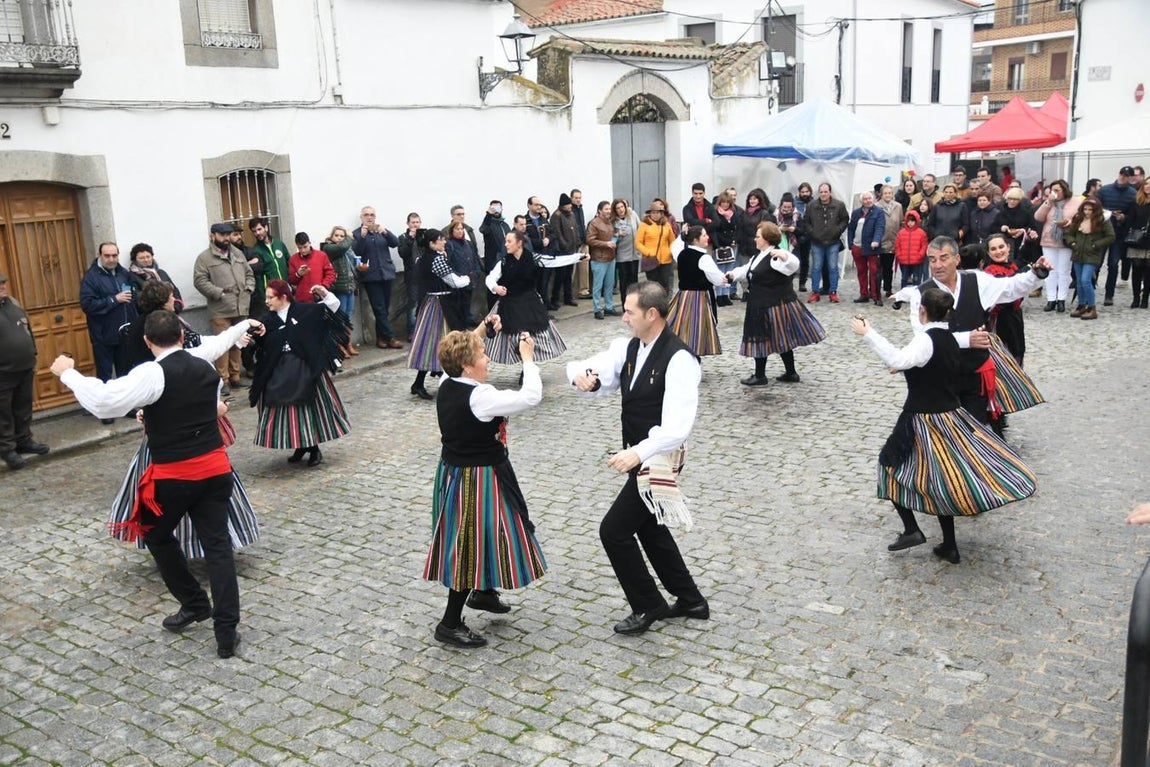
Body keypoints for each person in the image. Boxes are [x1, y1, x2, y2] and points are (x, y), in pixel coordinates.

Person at [51, 310, 258, 658]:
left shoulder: (152, 373)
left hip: (174, 477)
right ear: (181, 334)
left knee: (152, 531)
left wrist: (67, 373)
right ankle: (225, 633)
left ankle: (194, 603)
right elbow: (219, 344)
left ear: (148, 341)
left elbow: (104, 399)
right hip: (215, 470)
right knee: (218, 548)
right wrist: (245, 325)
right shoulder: (202, 364)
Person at [850, 289, 1036, 565]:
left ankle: (912, 529)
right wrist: (906, 366)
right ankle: (948, 544)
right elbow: (920, 363)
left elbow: (900, 359)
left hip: (922, 417)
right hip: (949, 415)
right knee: (940, 478)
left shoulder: (925, 339)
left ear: (922, 311)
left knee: (888, 465)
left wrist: (868, 333)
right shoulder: (949, 338)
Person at [566, 283, 708, 635]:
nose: (624, 317)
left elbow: (678, 427)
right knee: (649, 527)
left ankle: (648, 604)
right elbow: (590, 367)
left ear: (652, 315)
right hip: (639, 455)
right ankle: (691, 599)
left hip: (659, 458)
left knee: (613, 531)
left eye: (629, 311)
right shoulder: (629, 347)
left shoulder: (680, 360)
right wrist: (585, 378)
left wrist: (636, 453)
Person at [111, 281, 260, 559]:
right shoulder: (162, 331)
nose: (175, 300)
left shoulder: (139, 329)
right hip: (184, 420)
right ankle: (201, 545)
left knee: (166, 487)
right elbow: (202, 350)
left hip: (159, 415)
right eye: (171, 297)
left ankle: (176, 544)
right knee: (190, 484)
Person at [423, 324, 546, 649]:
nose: (488, 360)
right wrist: (528, 358)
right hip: (476, 479)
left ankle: (484, 592)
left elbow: (463, 348)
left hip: (455, 472)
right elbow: (531, 397)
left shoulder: (450, 381)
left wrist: (483, 332)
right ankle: (449, 624)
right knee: (469, 542)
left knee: (489, 533)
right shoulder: (482, 397)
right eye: (482, 356)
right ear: (467, 365)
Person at [890, 237, 1052, 433]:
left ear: (957, 259)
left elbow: (1012, 287)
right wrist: (966, 339)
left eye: (944, 258)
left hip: (975, 373)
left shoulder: (977, 280)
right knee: (948, 433)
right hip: (943, 378)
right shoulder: (921, 294)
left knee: (975, 430)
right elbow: (925, 336)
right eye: (932, 260)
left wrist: (1036, 273)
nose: (938, 265)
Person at [249, 280, 351, 467]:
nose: (267, 301)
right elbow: (257, 346)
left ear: (283, 297)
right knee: (286, 411)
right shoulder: (267, 320)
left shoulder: (306, 312)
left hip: (306, 370)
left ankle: (314, 449)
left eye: (270, 297)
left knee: (307, 409)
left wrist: (324, 294)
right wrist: (250, 339)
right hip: (279, 373)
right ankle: (300, 445)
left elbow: (333, 309)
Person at [727, 221, 825, 385]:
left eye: (758, 237)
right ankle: (789, 373)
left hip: (774, 304)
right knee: (780, 338)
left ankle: (762, 376)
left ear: (766, 239)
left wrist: (784, 255)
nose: (755, 239)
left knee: (767, 338)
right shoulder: (760, 255)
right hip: (762, 302)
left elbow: (793, 264)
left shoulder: (776, 255)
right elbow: (746, 269)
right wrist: (731, 275)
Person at [484, 231, 567, 366]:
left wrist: (579, 257)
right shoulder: (504, 261)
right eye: (506, 241)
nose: (506, 244)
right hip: (510, 303)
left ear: (519, 243)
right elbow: (490, 278)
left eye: (509, 241)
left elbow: (555, 261)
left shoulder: (532, 258)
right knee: (514, 336)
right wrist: (496, 288)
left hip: (529, 301)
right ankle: (524, 361)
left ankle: (527, 365)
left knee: (532, 334)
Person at [408, 229, 471, 400]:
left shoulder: (423, 258)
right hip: (440, 305)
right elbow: (454, 282)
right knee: (442, 342)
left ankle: (421, 382)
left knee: (433, 342)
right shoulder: (436, 260)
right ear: (431, 243)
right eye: (440, 240)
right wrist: (467, 278)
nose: (443, 242)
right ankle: (435, 383)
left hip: (432, 302)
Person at [192, 223, 254, 396]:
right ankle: (223, 380)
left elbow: (249, 273)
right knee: (222, 346)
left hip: (241, 305)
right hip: (220, 308)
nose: (226, 238)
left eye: (228, 235)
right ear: (213, 236)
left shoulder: (237, 253)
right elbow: (200, 281)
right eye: (222, 235)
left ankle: (235, 377)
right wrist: (218, 293)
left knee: (238, 343)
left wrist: (249, 288)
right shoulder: (204, 258)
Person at [0, 273, 48, 470]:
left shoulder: (13, 304)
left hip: (25, 367)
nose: (2, 286)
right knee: (3, 413)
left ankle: (24, 440)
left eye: (3, 283)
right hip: (3, 372)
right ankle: (7, 448)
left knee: (23, 407)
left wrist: (33, 353)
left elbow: (28, 330)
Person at [79, 242, 139, 395]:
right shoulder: (91, 277)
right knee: (105, 375)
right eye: (107, 256)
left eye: (114, 255)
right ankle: (107, 411)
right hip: (103, 334)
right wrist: (113, 300)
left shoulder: (124, 273)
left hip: (124, 332)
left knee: (125, 373)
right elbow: (87, 305)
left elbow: (133, 298)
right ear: (100, 256)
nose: (111, 259)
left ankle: (126, 405)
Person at [666, 225, 726, 357]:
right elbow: (716, 278)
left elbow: (674, 247)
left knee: (681, 326)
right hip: (699, 297)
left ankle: (682, 355)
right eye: (704, 235)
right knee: (696, 327)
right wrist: (725, 281)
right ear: (695, 239)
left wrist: (681, 236)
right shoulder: (704, 258)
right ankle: (693, 356)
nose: (707, 237)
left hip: (683, 296)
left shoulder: (681, 253)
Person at [353, 206, 403, 349]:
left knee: (384, 309)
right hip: (371, 276)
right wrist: (362, 237)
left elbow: (395, 243)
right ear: (361, 217)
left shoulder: (380, 231)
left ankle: (381, 338)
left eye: (372, 215)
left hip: (386, 273)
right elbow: (356, 252)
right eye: (366, 215)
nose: (369, 217)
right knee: (379, 308)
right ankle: (391, 337)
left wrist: (385, 232)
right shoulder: (357, 234)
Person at [1063, 196, 1116, 320]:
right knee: (1080, 282)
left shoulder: (1102, 220)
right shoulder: (1078, 219)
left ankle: (1092, 307)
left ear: (1095, 210)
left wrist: (1095, 245)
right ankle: (1082, 305)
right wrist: (1073, 243)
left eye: (1090, 210)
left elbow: (1111, 236)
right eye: (1085, 209)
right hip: (1077, 253)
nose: (1087, 212)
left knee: (1086, 280)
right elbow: (1070, 234)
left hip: (1092, 254)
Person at [1033, 180, 1079, 313]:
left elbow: (1080, 217)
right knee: (1050, 270)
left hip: (1065, 240)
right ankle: (1051, 299)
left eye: (1058, 190)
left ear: (1064, 190)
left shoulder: (1075, 202)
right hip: (1049, 240)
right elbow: (1038, 217)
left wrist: (1070, 222)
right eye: (1053, 190)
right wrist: (1048, 202)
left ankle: (1061, 299)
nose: (1055, 193)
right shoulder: (1049, 202)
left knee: (1063, 271)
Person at [1097, 166, 1138, 305]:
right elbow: (1095, 208)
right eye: (1122, 174)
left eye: (1126, 175)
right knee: (1096, 263)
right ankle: (1089, 291)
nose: (1123, 177)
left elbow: (1133, 215)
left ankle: (1109, 295)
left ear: (1131, 178)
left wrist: (1123, 217)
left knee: (1113, 264)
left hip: (1119, 234)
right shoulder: (1104, 190)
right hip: (1101, 232)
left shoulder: (1133, 194)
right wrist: (1105, 214)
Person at [803, 182, 849, 303]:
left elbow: (845, 219)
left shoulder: (839, 205)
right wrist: (812, 233)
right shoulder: (811, 205)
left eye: (826, 192)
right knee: (816, 267)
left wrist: (838, 231)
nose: (823, 194)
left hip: (833, 241)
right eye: (821, 192)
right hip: (816, 241)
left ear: (830, 192)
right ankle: (815, 292)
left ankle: (833, 292)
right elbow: (806, 221)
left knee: (833, 267)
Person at [442, 205, 484, 324]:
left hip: (470, 277)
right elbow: (447, 262)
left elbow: (474, 255)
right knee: (458, 308)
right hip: (457, 280)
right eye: (458, 214)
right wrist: (457, 277)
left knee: (466, 305)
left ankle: (466, 324)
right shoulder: (449, 242)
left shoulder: (468, 239)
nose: (461, 216)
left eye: (463, 214)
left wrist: (476, 272)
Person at [321, 226, 360, 355]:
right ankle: (339, 345)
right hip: (339, 288)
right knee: (340, 318)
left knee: (348, 317)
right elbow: (341, 247)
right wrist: (349, 237)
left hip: (349, 286)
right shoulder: (329, 247)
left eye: (342, 236)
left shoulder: (347, 249)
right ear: (331, 236)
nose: (339, 238)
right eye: (336, 235)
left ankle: (347, 343)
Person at [848, 191, 887, 306]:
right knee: (861, 271)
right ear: (861, 201)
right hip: (857, 246)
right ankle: (864, 294)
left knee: (874, 272)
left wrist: (876, 240)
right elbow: (851, 228)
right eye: (865, 199)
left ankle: (876, 295)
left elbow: (880, 227)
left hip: (872, 247)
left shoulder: (878, 212)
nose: (867, 201)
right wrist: (851, 243)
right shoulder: (856, 213)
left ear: (873, 199)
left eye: (869, 198)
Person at [586, 200, 619, 319]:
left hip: (610, 257)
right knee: (597, 286)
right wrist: (606, 244)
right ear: (599, 211)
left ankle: (609, 307)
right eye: (606, 209)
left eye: (609, 209)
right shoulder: (594, 223)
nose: (608, 211)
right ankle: (597, 309)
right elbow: (590, 240)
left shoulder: (610, 222)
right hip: (599, 259)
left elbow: (613, 235)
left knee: (609, 285)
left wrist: (616, 238)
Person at [636, 200, 677, 294]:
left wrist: (669, 251)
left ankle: (664, 306)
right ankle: (654, 305)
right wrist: (648, 252)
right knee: (653, 286)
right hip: (651, 260)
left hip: (665, 260)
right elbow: (638, 243)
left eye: (658, 212)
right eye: (653, 212)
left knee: (664, 285)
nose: (655, 215)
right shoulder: (644, 225)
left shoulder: (666, 225)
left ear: (662, 213)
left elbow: (672, 241)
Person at [548, 194, 580, 310]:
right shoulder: (556, 216)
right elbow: (557, 233)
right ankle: (555, 298)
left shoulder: (571, 214)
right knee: (560, 276)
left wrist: (577, 242)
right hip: (562, 252)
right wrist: (564, 245)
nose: (570, 206)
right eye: (568, 205)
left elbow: (575, 228)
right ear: (563, 205)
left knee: (568, 275)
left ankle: (568, 297)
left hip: (572, 250)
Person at [711, 191, 743, 304]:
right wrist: (726, 241)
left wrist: (735, 240)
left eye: (727, 202)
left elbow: (737, 228)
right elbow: (716, 231)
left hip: (732, 245)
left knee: (729, 270)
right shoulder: (715, 213)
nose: (725, 204)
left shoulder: (733, 213)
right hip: (720, 245)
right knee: (720, 271)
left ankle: (726, 294)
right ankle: (719, 295)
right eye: (723, 202)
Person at [128, 243, 182, 309]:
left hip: (171, 312)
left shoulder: (161, 273)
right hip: (150, 315)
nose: (146, 260)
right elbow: (138, 299)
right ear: (135, 260)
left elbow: (175, 291)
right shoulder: (131, 277)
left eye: (148, 256)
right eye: (141, 258)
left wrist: (176, 308)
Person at [479, 202, 510, 309]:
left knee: (504, 288)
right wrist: (488, 214)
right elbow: (483, 229)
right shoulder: (489, 224)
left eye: (498, 207)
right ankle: (491, 313)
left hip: (505, 261)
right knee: (492, 289)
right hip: (492, 261)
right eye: (494, 207)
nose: (496, 210)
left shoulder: (505, 225)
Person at [288, 232, 336, 302]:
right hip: (302, 300)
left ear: (309, 243)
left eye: (305, 247)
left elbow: (331, 273)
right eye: (299, 248)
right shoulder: (293, 259)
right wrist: (298, 274)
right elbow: (291, 280)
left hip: (320, 298)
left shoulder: (321, 255)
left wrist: (323, 286)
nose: (303, 250)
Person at [1125, 177, 1150, 309]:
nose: (1148, 186)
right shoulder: (1136, 201)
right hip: (1137, 240)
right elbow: (1130, 220)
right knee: (1136, 271)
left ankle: (1145, 298)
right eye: (1146, 184)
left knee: (1148, 272)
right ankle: (1136, 298)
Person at [396, 213, 423, 336]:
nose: (415, 225)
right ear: (408, 224)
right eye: (413, 222)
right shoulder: (403, 237)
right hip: (412, 275)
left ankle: (424, 329)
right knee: (413, 303)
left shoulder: (424, 235)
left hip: (425, 274)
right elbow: (403, 253)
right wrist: (411, 239)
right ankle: (412, 331)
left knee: (425, 302)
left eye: (417, 222)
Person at [999, 188, 1041, 265]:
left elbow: (1032, 227)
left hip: (1021, 244)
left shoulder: (1025, 213)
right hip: (1005, 243)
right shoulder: (1001, 213)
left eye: (1015, 199)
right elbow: (993, 228)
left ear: (1019, 201)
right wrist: (1001, 228)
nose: (1012, 201)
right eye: (1010, 199)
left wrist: (1023, 230)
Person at [876, 185, 903, 299]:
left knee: (888, 267)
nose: (888, 195)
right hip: (880, 241)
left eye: (890, 193)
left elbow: (901, 222)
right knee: (877, 268)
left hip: (893, 241)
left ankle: (888, 288)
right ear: (881, 194)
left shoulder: (898, 206)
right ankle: (875, 289)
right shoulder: (876, 206)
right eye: (885, 193)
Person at [612, 198, 642, 301]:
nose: (620, 210)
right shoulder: (613, 220)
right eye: (617, 208)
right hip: (622, 255)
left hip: (634, 254)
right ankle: (625, 305)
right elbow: (610, 235)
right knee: (624, 281)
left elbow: (640, 228)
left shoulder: (633, 215)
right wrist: (617, 234)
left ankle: (635, 304)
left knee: (634, 281)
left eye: (622, 207)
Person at [894, 210, 929, 288]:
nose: (910, 223)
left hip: (917, 261)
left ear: (916, 221)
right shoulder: (901, 233)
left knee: (916, 280)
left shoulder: (921, 233)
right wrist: (899, 255)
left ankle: (916, 295)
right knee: (904, 279)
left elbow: (924, 245)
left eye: (912, 221)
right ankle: (903, 295)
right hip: (904, 261)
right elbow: (897, 245)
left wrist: (920, 255)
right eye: (909, 221)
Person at [792, 182, 815, 291]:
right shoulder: (794, 203)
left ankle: (802, 283)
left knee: (805, 260)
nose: (805, 194)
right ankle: (789, 283)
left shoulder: (814, 203)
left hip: (808, 234)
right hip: (795, 234)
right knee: (792, 259)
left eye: (807, 191)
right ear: (799, 192)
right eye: (802, 192)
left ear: (810, 192)